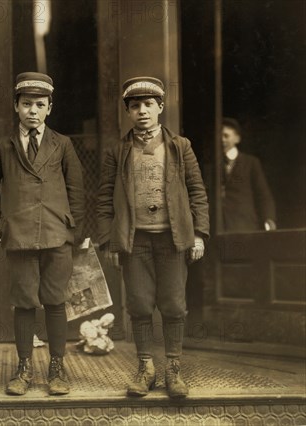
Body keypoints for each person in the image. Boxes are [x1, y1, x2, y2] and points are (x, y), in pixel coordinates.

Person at [96, 76, 209, 399]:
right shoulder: (118, 151)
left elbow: (197, 191)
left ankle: (173, 368)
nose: (142, 111)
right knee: (139, 304)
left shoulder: (180, 146)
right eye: (135, 106)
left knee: (174, 304)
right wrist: (109, 241)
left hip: (172, 239)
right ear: (127, 112)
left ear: (161, 107)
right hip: (135, 241)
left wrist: (199, 234)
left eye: (148, 105)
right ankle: (145, 368)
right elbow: (104, 199)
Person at [0, 72, 85, 396]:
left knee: (55, 301)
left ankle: (57, 368)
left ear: (50, 108)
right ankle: (23, 368)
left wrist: (75, 231)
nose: (33, 111)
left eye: (40, 104)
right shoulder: (2, 147)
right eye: (27, 104)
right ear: (16, 106)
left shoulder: (63, 144)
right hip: (20, 235)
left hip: (56, 234)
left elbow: (77, 190)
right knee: (24, 302)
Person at [221, 117, 276, 232]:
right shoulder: (212, 164)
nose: (222, 140)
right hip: (220, 227)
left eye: (226, 136)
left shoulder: (251, 163)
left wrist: (269, 219)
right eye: (219, 136)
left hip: (244, 226)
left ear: (237, 138)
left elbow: (263, 194)